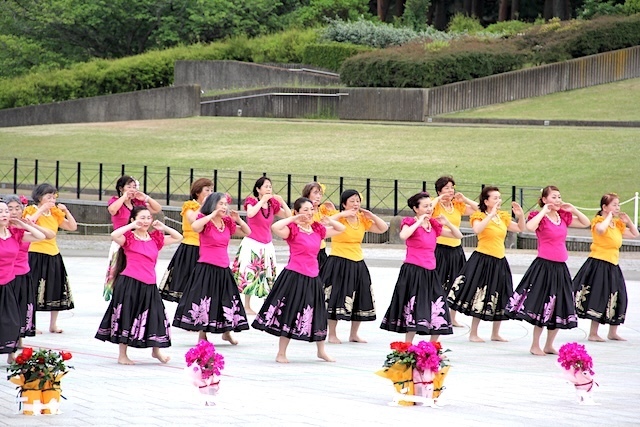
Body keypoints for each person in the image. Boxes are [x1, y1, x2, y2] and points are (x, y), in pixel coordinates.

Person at [252, 197, 345, 363]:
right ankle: (281, 353)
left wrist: (330, 220)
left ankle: (321, 351)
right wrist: (293, 219)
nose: (309, 213)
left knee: (318, 312)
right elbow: (275, 227)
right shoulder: (292, 230)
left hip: (313, 276)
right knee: (289, 311)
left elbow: (341, 229)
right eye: (305, 210)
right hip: (294, 276)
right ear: (297, 212)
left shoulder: (317, 230)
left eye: (311, 209)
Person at [505, 186, 590, 355]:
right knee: (542, 305)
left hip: (560, 267)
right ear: (544, 199)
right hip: (544, 267)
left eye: (559, 197)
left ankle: (549, 344)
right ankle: (535, 344)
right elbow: (530, 227)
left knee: (559, 305)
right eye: (554, 197)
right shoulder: (539, 217)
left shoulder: (563, 217)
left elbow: (586, 223)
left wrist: (573, 209)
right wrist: (544, 210)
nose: (558, 200)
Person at [95, 206, 183, 365]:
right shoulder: (129, 238)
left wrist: (163, 227)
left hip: (149, 284)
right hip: (130, 283)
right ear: (133, 219)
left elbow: (178, 237)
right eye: (142, 218)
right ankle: (122, 355)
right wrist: (132, 225)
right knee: (126, 316)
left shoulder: (155, 239)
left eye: (148, 218)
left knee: (156, 316)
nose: (146, 221)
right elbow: (114, 235)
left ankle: (156, 351)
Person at [380, 192, 463, 343]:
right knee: (412, 306)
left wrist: (448, 223)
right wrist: (418, 222)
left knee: (438, 306)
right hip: (413, 271)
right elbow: (403, 236)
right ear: (416, 208)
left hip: (430, 272)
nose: (429, 209)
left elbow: (458, 236)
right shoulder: (409, 223)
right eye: (425, 206)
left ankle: (433, 346)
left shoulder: (433, 226)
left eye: (430, 205)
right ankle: (407, 345)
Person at [447, 186, 525, 342]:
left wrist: (521, 216)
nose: (498, 200)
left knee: (501, 293)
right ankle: (473, 333)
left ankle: (495, 333)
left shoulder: (502, 217)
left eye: (499, 197)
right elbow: (477, 229)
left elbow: (519, 228)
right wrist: (490, 215)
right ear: (486, 201)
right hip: (483, 259)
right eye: (495, 198)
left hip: (499, 260)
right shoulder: (479, 216)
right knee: (480, 294)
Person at [173, 192, 251, 345]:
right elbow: (195, 227)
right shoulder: (205, 221)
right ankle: (202, 335)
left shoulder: (226, 223)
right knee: (205, 301)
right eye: (220, 204)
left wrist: (238, 219)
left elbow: (247, 232)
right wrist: (212, 215)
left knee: (225, 300)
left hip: (223, 267)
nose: (224, 207)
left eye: (225, 204)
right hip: (206, 267)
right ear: (213, 204)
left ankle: (227, 333)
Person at [321, 189, 389, 344]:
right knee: (335, 297)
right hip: (338, 261)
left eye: (358, 201)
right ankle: (332, 334)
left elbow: (383, 228)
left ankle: (354, 334)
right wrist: (343, 214)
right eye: (351, 201)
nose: (355, 204)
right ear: (344, 204)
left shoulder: (362, 219)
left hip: (357, 262)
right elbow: (325, 222)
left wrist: (371, 216)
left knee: (360, 296)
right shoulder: (339, 218)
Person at [573, 193, 639, 342]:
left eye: (618, 205)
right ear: (604, 207)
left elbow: (635, 234)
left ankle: (613, 331)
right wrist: (608, 216)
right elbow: (601, 230)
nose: (617, 207)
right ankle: (593, 333)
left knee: (618, 294)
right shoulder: (598, 222)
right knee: (598, 295)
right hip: (599, 263)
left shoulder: (617, 225)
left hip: (613, 264)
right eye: (614, 205)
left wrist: (628, 221)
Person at [23, 183, 78, 334]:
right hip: (36, 252)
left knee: (56, 287)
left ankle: (53, 324)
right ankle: (31, 322)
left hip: (53, 253)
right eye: (49, 197)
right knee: (34, 288)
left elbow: (72, 227)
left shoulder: (54, 213)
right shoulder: (31, 210)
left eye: (54, 197)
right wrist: (41, 209)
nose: (52, 200)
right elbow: (28, 222)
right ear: (40, 197)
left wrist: (66, 211)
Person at [232, 177, 291, 314]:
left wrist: (282, 202)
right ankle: (247, 305)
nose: (269, 189)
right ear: (258, 189)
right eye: (266, 186)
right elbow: (250, 213)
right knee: (250, 272)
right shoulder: (251, 202)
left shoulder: (272, 206)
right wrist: (262, 201)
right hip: (252, 243)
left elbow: (288, 216)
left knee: (268, 273)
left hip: (267, 244)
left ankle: (266, 305)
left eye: (270, 186)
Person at [5, 195, 53, 346]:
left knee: (22, 307)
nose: (14, 212)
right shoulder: (4, 230)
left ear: (22, 210)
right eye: (10, 209)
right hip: (8, 275)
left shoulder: (23, 229)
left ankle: (19, 339)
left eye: (17, 208)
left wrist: (26, 224)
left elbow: (46, 235)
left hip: (23, 272)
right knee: (9, 310)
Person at [0, 200, 45, 363]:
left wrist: (23, 224)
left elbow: (41, 236)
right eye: (1, 212)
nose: (5, 214)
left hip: (7, 284)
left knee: (12, 322)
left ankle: (11, 354)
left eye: (6, 211)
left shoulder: (15, 233)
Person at [431, 176, 478, 327]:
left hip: (456, 248)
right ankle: (434, 314)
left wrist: (465, 199)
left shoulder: (457, 205)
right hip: (439, 248)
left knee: (456, 283)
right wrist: (438, 199)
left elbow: (479, 209)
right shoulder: (435, 205)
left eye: (452, 187)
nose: (450, 190)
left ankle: (452, 317)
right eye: (446, 188)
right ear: (439, 191)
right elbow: (428, 209)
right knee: (438, 282)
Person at [105, 175, 162, 301]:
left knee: (132, 270)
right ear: (121, 188)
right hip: (121, 240)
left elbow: (157, 209)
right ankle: (117, 297)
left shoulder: (137, 203)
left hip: (136, 241)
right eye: (129, 186)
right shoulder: (116, 201)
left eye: (134, 186)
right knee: (118, 269)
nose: (132, 189)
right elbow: (112, 210)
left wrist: (145, 197)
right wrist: (124, 197)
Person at [160, 178, 213, 302]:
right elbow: (192, 219)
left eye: (211, 190)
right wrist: (203, 206)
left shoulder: (212, 209)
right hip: (190, 247)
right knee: (187, 280)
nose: (210, 193)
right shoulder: (190, 205)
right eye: (207, 190)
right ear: (198, 192)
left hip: (206, 247)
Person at [301, 182, 336, 269]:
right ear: (308, 194)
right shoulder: (302, 210)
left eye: (320, 194)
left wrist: (333, 210)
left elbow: (335, 225)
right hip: (307, 250)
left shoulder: (322, 210)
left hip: (321, 249)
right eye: (315, 193)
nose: (318, 196)